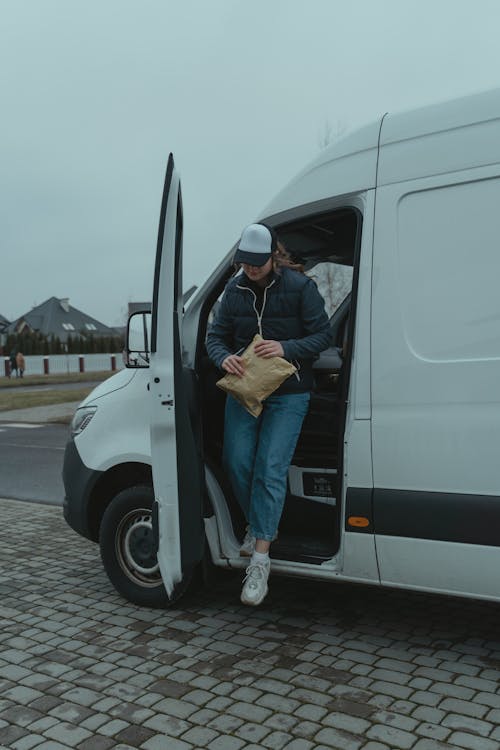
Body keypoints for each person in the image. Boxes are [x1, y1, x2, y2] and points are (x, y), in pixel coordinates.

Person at [206, 223, 331, 606]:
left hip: (289, 391)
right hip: (245, 389)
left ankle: (260, 560)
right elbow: (215, 337)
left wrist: (286, 347)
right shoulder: (234, 289)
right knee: (238, 462)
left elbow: (323, 336)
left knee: (270, 468)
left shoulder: (300, 287)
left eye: (257, 264)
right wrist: (222, 357)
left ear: (272, 257)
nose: (251, 270)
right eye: (245, 264)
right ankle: (261, 525)